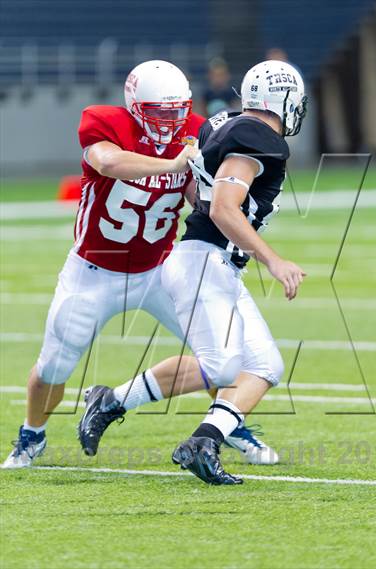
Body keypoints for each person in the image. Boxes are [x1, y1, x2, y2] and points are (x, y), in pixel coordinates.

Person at [2, 60, 277, 469]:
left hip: (159, 269)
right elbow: (109, 163)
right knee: (53, 366)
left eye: (176, 111)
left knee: (220, 352)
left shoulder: (196, 129)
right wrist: (173, 164)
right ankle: (32, 434)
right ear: (135, 106)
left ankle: (227, 426)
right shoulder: (106, 124)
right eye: (159, 112)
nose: (170, 122)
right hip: (94, 270)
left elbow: (194, 195)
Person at [160, 59, 308, 485]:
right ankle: (111, 402)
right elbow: (224, 207)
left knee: (264, 365)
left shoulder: (222, 123)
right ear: (285, 101)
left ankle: (203, 442)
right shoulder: (258, 138)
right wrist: (273, 260)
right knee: (224, 367)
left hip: (211, 260)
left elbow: (197, 192)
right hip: (205, 260)